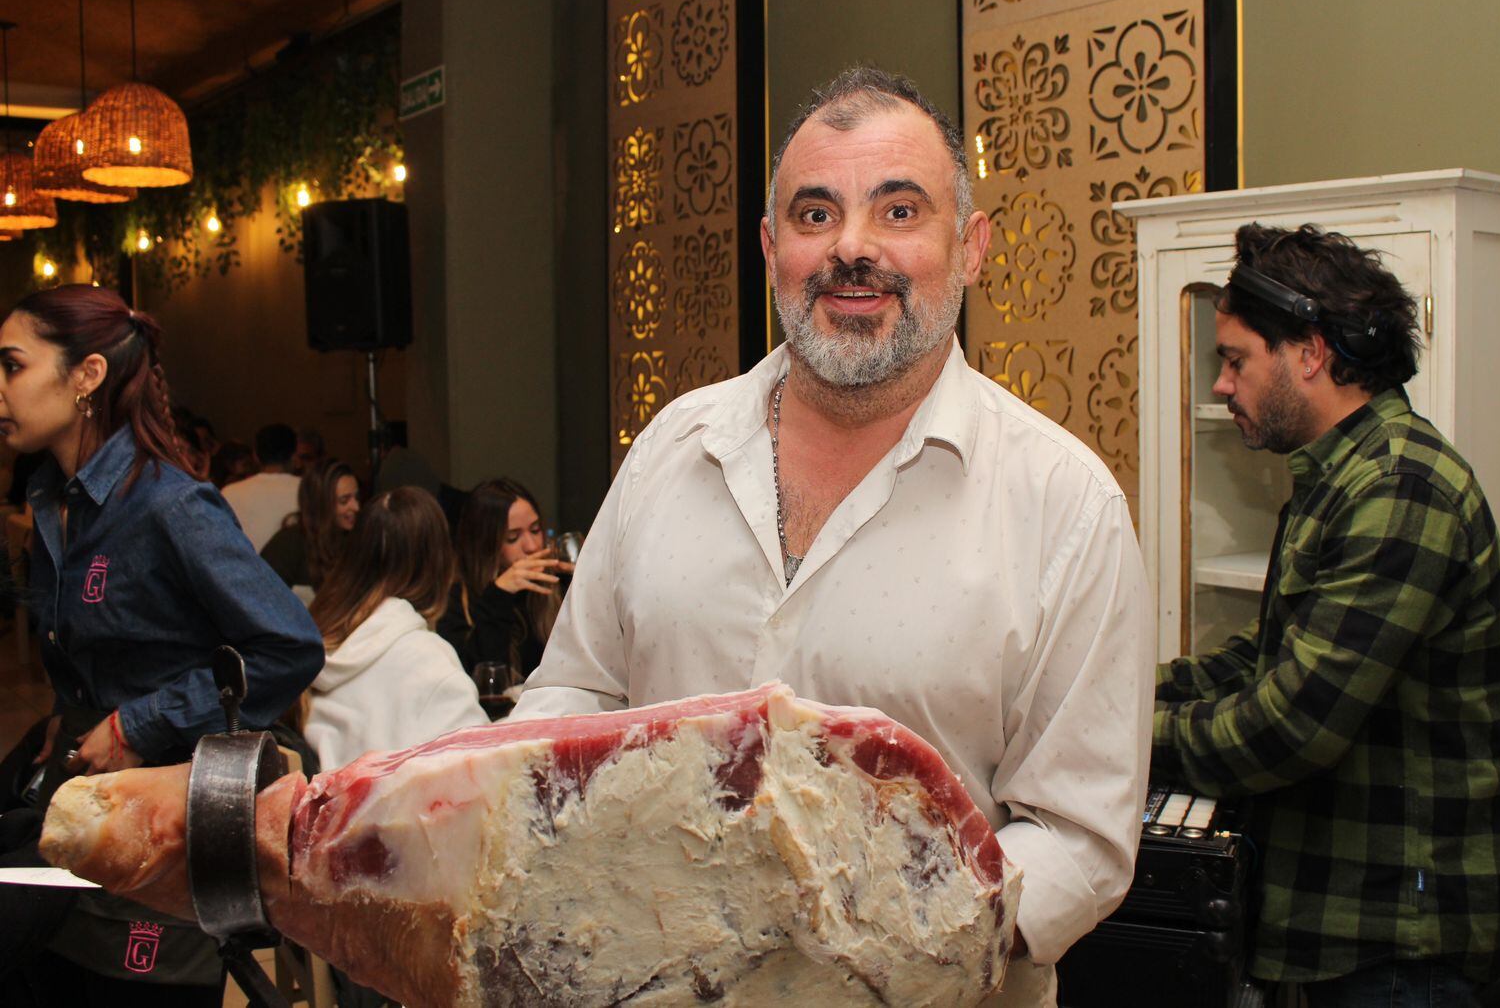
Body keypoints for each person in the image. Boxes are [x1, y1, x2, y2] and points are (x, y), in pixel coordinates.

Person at [511, 67, 1153, 1005]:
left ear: (970, 247)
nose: (852, 248)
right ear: (772, 248)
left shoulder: (1064, 506)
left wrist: (867, 948)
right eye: (815, 215)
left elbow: (1078, 837)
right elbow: (577, 688)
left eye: (899, 211)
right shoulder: (669, 452)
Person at [1151, 224, 1500, 1004]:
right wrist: (1128, 691)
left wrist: (1113, 736)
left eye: (1235, 359)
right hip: (1349, 933)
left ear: (1310, 353)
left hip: (1397, 945)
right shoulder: (1340, 475)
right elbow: (1265, 661)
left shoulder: (1400, 487)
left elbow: (1290, 725)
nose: (1222, 385)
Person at [0, 285, 323, 1006]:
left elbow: (288, 646)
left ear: (85, 376)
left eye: (11, 365)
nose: (0, 388)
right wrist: (74, 709)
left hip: (163, 835)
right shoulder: (54, 499)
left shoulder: (170, 505)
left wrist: (135, 723)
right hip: (82, 809)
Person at [301, 486, 487, 773]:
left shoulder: (318, 633)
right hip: (389, 815)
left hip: (328, 809)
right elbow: (484, 771)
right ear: (439, 564)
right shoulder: (427, 658)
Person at [438, 478, 569, 679]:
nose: (532, 546)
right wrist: (499, 595)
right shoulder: (456, 601)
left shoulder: (557, 586)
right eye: (512, 537)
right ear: (485, 545)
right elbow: (481, 680)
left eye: (535, 530)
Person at [261, 458, 360, 600]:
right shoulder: (288, 545)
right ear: (320, 503)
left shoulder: (357, 540)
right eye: (344, 500)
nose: (356, 507)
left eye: (357, 497)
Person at [221, 422, 300, 550]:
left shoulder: (229, 493)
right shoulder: (310, 490)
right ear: (295, 455)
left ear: (255, 456)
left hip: (245, 569)